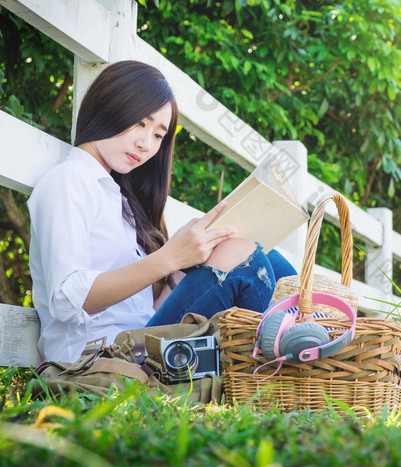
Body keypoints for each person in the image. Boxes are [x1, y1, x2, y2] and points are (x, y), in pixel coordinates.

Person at [28, 60, 296, 364]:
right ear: (108, 106)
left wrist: (185, 263)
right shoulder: (69, 180)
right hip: (98, 356)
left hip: (139, 338)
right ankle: (285, 370)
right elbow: (67, 300)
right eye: (141, 123)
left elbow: (139, 306)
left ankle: (318, 338)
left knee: (253, 248)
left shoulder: (120, 199)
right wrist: (169, 257)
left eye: (158, 135)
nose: (145, 144)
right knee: (243, 256)